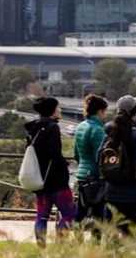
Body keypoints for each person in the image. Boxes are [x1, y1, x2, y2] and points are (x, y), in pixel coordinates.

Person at [25, 97, 77, 247]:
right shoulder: (52, 127)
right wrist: (64, 163)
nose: (60, 110)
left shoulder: (32, 128)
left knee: (41, 216)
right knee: (69, 214)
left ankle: (41, 248)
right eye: (58, 107)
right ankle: (60, 245)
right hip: (57, 181)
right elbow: (55, 153)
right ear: (52, 111)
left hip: (40, 179)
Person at [101, 95, 136, 237]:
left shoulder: (109, 133)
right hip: (132, 194)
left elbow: (99, 158)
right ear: (135, 113)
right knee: (131, 235)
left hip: (110, 192)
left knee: (111, 234)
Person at [73, 94, 108, 233]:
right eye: (105, 112)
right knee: (98, 215)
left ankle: (76, 242)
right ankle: (95, 246)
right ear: (100, 111)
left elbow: (76, 153)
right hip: (94, 176)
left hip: (81, 174)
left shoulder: (81, 126)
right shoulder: (98, 130)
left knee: (81, 212)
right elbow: (100, 157)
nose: (105, 115)